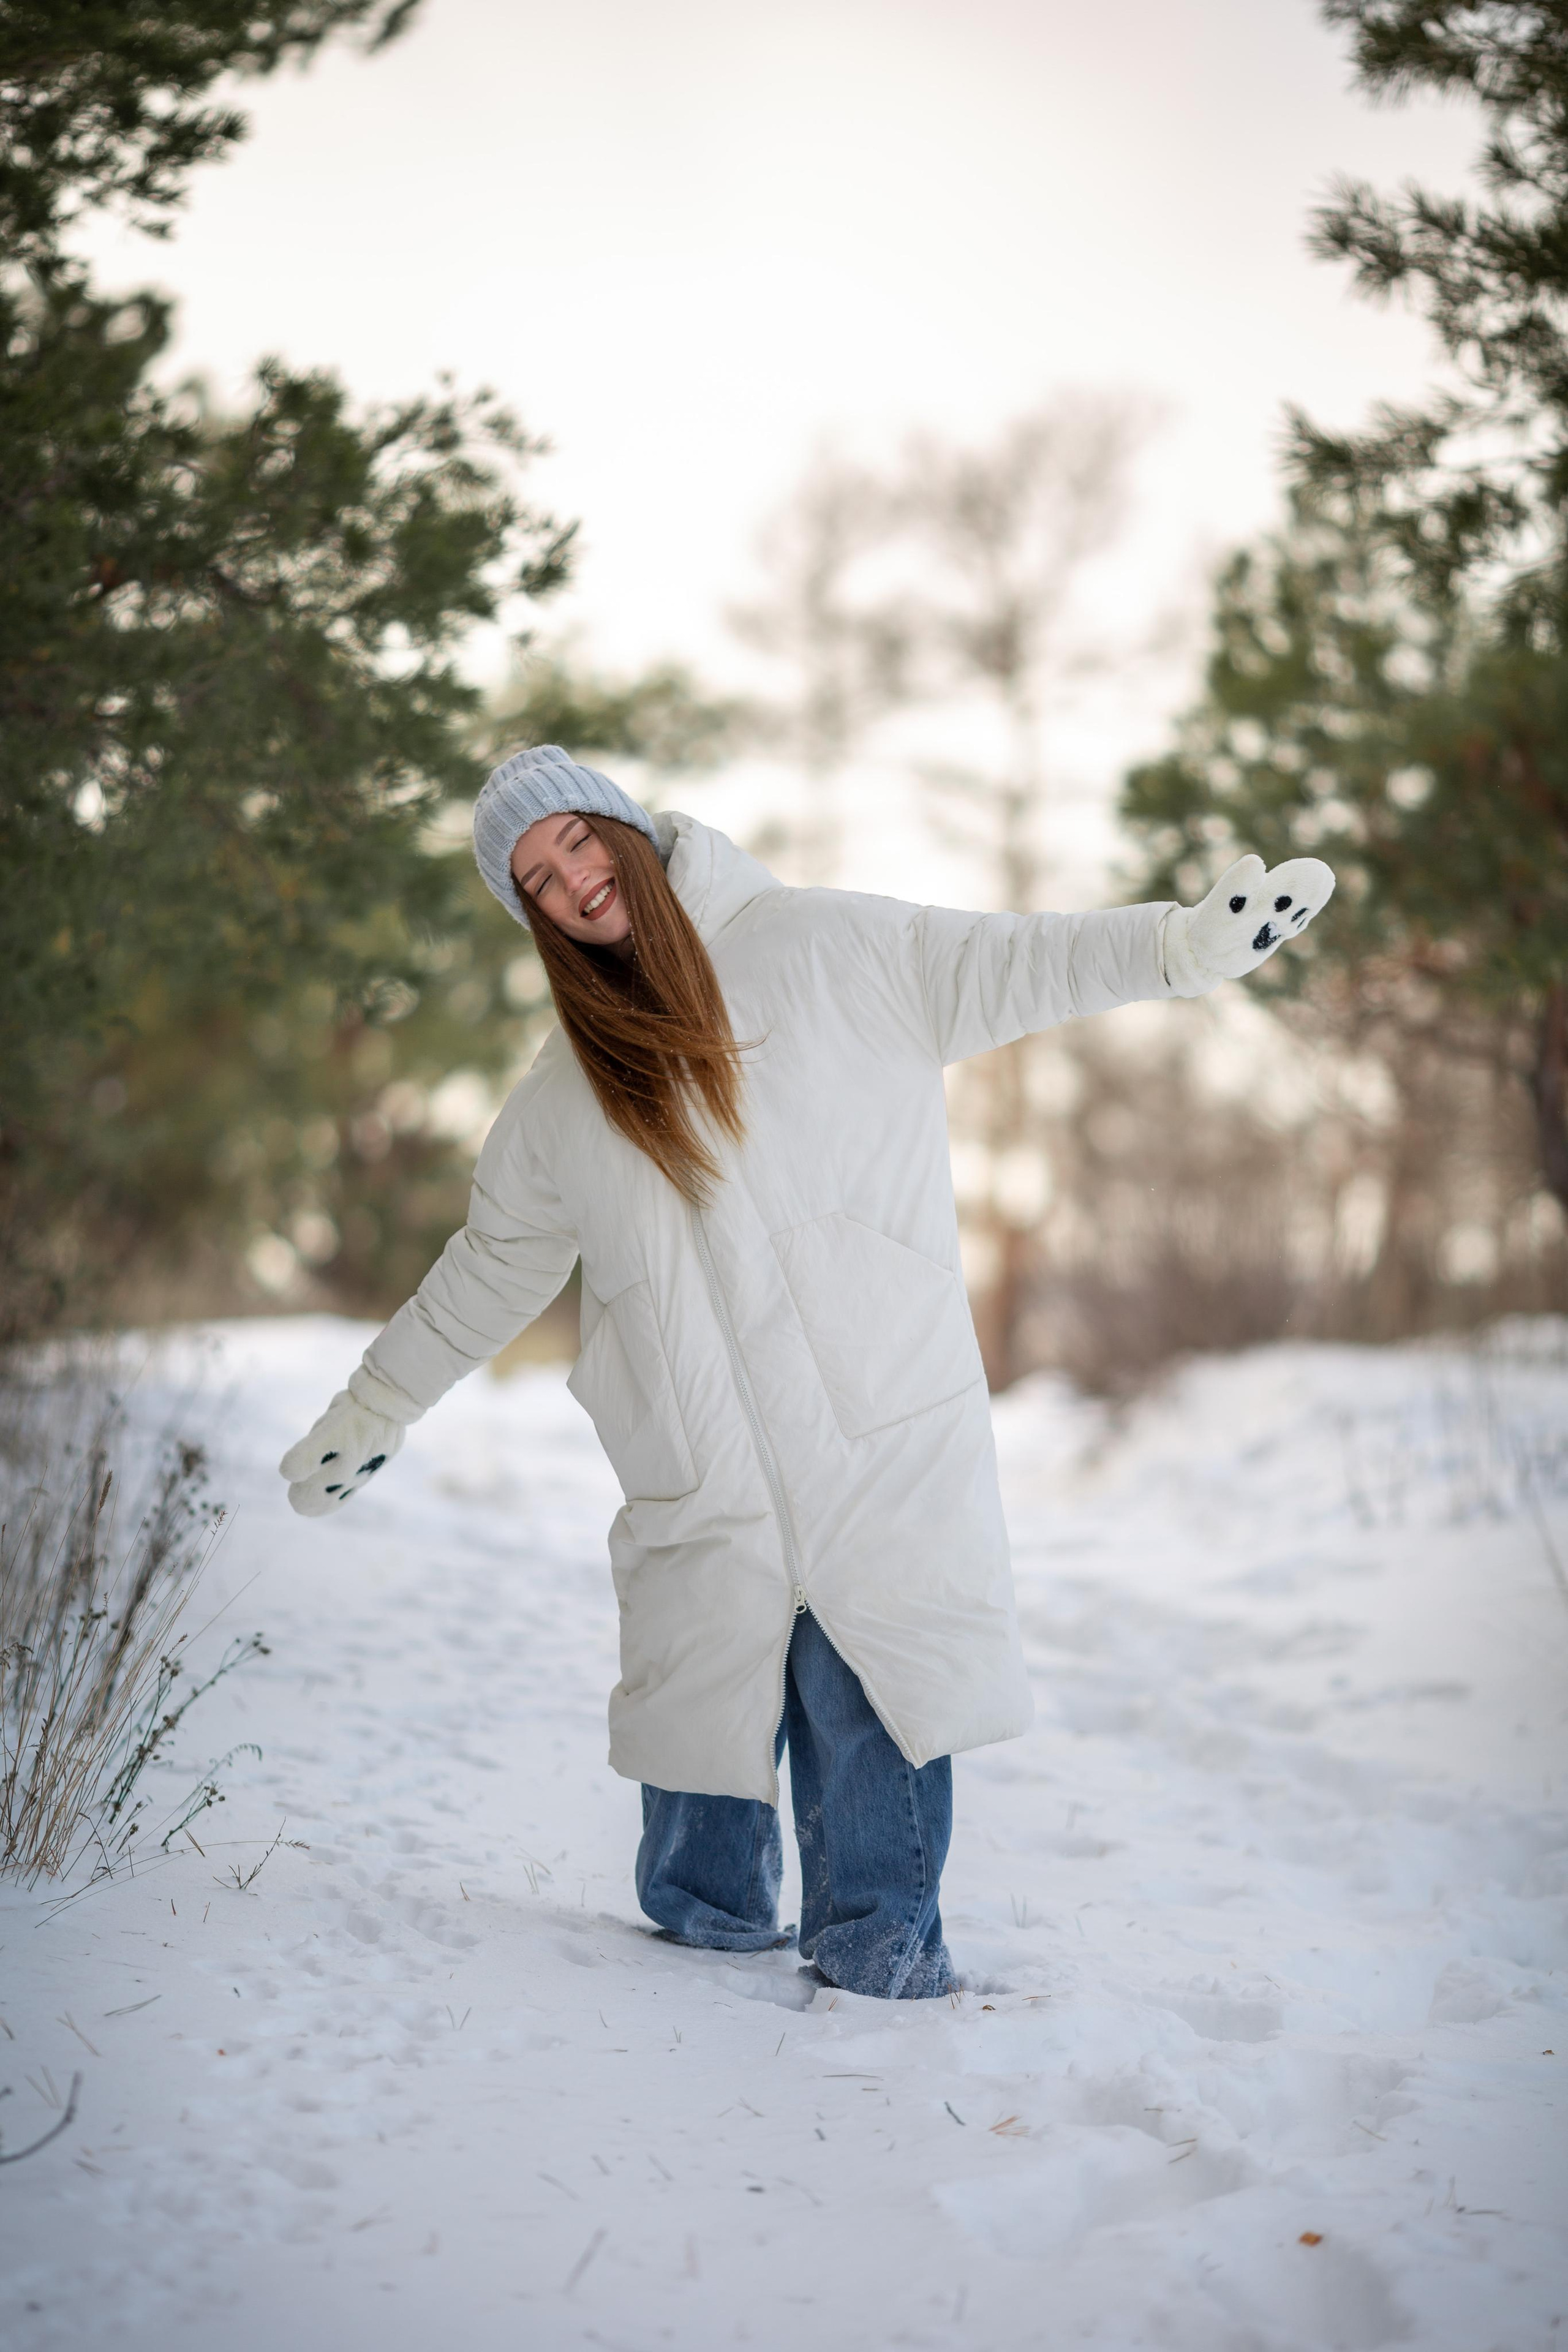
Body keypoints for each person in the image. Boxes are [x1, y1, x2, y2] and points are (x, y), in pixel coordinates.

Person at [280, 745, 1333, 1999]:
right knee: (698, 1741)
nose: (571, 882)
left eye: (575, 843)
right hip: (698, 1471)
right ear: (535, 921)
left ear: (625, 831)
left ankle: (879, 1968)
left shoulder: (824, 946)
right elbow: (483, 1275)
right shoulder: (558, 1106)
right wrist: (377, 1403)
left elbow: (1009, 960)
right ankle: (693, 1960)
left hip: (869, 1427)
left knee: (869, 1697)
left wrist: (1172, 950)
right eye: (536, 881)